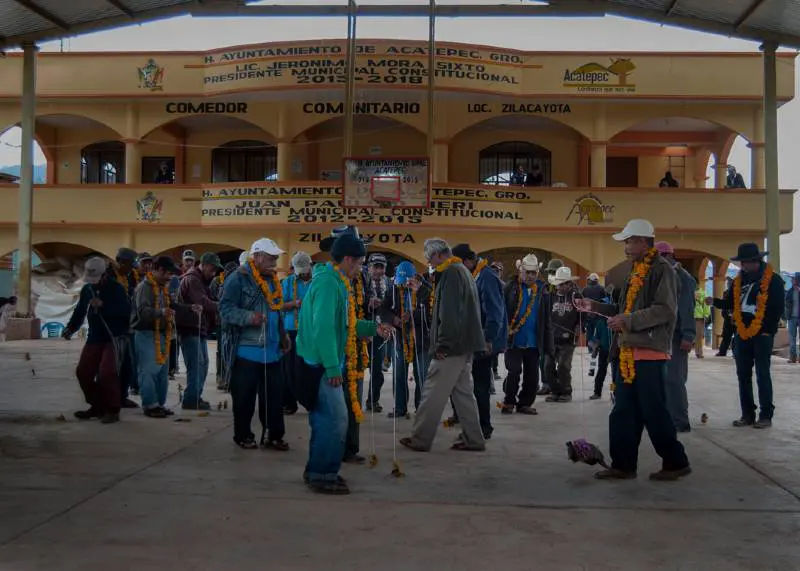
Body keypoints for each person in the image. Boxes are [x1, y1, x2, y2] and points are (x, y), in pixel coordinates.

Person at [576, 219, 691, 481]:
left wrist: (627, 321)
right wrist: (594, 306)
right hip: (628, 351)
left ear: (642, 241)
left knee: (654, 411)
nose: (625, 246)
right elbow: (621, 311)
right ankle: (623, 464)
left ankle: (676, 461)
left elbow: (665, 310)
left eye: (628, 241)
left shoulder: (663, 270)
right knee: (623, 412)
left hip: (650, 352)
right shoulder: (635, 270)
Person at [296, 233, 391, 494]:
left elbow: (346, 324)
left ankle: (317, 470)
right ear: (348, 260)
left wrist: (374, 328)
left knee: (328, 420)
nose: (361, 268)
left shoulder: (338, 282)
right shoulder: (328, 284)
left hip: (326, 362)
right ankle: (322, 475)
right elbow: (323, 328)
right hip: (321, 365)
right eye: (360, 263)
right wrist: (332, 367)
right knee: (334, 420)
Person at [399, 238, 486, 453]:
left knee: (432, 391)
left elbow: (449, 313)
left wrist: (442, 345)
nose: (430, 263)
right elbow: (444, 303)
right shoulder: (460, 271)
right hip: (463, 343)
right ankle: (474, 439)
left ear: (439, 255)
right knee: (463, 394)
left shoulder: (451, 273)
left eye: (430, 259)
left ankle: (420, 438)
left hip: (452, 346)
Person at [219, 238, 291, 449]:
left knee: (274, 399)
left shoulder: (273, 280)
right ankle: (243, 435)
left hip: (273, 350)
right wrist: (250, 317)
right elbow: (224, 310)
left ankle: (273, 435)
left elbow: (276, 310)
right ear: (257, 257)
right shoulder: (238, 279)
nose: (274, 261)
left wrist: (283, 334)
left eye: (275, 257)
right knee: (244, 398)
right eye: (270, 257)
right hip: (247, 351)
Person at [713, 243, 784, 428]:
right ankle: (747, 414)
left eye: (745, 262)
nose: (742, 266)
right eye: (741, 263)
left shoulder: (773, 280)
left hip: (762, 335)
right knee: (743, 375)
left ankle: (766, 415)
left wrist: (768, 330)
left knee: (762, 375)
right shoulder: (738, 282)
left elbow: (777, 309)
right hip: (742, 334)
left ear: (756, 261)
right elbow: (729, 304)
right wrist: (715, 302)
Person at [62, 257, 131, 424]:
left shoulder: (117, 289)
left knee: (107, 372)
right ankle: (97, 405)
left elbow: (126, 312)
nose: (92, 282)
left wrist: (104, 306)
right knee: (83, 372)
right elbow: (80, 311)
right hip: (94, 336)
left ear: (104, 275)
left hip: (113, 337)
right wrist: (71, 328)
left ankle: (113, 409)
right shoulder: (87, 290)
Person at [451, 243, 507, 440]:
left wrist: (489, 338)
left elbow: (495, 312)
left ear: (468, 260)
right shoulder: (474, 275)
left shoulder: (487, 277)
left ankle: (483, 428)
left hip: (484, 341)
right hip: (475, 338)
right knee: (473, 385)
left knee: (480, 386)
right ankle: (475, 426)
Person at [132, 256, 198, 419]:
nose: (170, 278)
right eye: (168, 274)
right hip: (146, 334)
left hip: (163, 334)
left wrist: (190, 308)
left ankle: (159, 404)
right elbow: (143, 312)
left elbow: (171, 306)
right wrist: (161, 312)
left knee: (162, 371)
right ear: (159, 270)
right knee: (148, 370)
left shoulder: (163, 287)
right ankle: (149, 404)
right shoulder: (145, 287)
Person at [380, 261, 433, 418]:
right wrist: (394, 319)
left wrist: (412, 316)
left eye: (407, 283)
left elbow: (431, 314)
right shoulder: (394, 287)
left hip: (421, 340)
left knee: (422, 376)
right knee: (399, 374)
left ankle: (421, 408)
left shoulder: (426, 290)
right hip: (400, 338)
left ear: (415, 278)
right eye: (401, 283)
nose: (404, 286)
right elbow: (384, 309)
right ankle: (400, 407)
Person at [501, 253, 551, 415]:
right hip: (514, 339)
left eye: (533, 273)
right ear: (520, 271)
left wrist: (548, 344)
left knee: (532, 376)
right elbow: (501, 311)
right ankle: (509, 401)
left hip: (533, 341)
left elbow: (547, 319)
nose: (530, 276)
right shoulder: (510, 287)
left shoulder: (543, 290)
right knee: (514, 371)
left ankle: (524, 403)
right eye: (527, 272)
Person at [655, 241, 696, 433]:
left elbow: (687, 308)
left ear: (669, 256)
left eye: (661, 257)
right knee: (661, 379)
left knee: (674, 379)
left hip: (677, 335)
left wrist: (688, 334)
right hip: (660, 334)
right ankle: (667, 418)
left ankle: (680, 420)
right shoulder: (660, 275)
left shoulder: (683, 278)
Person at [177, 252, 222, 411]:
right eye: (213, 268)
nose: (214, 272)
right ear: (204, 265)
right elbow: (201, 301)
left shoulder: (200, 280)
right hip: (190, 328)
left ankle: (195, 397)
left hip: (198, 328)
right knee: (197, 365)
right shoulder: (192, 279)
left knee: (202, 364)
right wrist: (220, 305)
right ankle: (191, 399)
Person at [281, 251, 313, 414]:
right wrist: (294, 303)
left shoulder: (317, 282)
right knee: (289, 369)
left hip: (311, 332)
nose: (303, 275)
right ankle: (289, 403)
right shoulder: (288, 282)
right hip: (291, 331)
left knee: (308, 367)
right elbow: (279, 305)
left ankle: (310, 402)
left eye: (305, 271)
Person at [544, 267, 581, 403]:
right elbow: (545, 315)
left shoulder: (576, 296)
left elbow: (583, 314)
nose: (563, 286)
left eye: (566, 283)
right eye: (560, 283)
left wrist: (580, 327)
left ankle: (566, 391)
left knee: (563, 367)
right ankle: (555, 391)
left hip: (568, 338)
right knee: (548, 366)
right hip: (551, 338)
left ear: (570, 284)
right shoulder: (550, 297)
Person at [110, 247, 141, 408]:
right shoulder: (107, 276)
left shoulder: (129, 276)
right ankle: (109, 398)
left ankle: (122, 396)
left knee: (127, 364)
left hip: (126, 325)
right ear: (121, 262)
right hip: (110, 329)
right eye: (129, 265)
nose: (131, 269)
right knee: (111, 365)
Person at [365, 253, 390, 413]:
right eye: (376, 267)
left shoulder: (389, 283)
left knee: (377, 369)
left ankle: (372, 400)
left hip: (381, 332)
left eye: (382, 267)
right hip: (362, 329)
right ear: (369, 267)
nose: (379, 271)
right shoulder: (361, 281)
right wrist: (369, 303)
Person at [538, 258, 564, 395]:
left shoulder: (567, 289)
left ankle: (558, 386)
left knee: (562, 363)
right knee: (544, 360)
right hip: (547, 330)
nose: (552, 275)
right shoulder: (545, 288)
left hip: (561, 331)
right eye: (550, 272)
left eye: (554, 272)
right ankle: (546, 384)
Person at [716, 277, 735, 357]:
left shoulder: (738, 292)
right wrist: (725, 314)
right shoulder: (725, 293)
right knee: (726, 335)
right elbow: (724, 304)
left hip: (736, 317)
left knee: (737, 336)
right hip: (727, 317)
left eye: (729, 283)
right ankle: (722, 351)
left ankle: (735, 352)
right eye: (728, 284)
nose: (728, 285)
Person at [784, 272, 800, 363]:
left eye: (793, 279)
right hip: (791, 318)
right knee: (792, 338)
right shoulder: (790, 291)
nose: (791, 280)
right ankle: (792, 357)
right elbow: (786, 304)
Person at [693, 284, 710, 358]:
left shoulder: (703, 293)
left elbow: (706, 305)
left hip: (699, 316)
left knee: (698, 336)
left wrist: (706, 314)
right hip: (689, 316)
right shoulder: (689, 291)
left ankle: (699, 352)